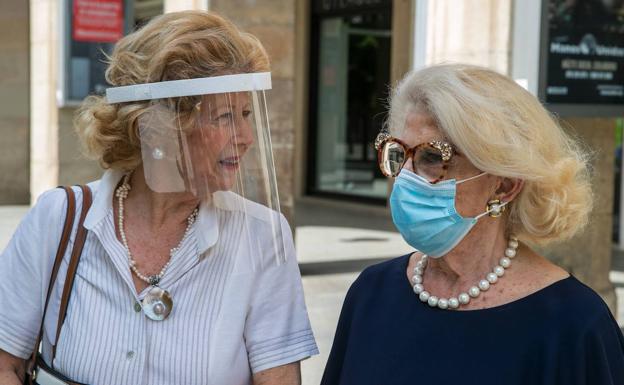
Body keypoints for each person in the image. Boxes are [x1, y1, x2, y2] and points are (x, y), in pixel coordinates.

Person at [0, 11, 317, 385]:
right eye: (225, 116)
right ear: (157, 128)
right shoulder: (58, 219)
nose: (246, 136)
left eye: (247, 113)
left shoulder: (262, 235)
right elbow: (6, 365)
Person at [321, 63, 624, 385]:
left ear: (505, 186)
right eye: (400, 153)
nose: (405, 177)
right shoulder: (371, 292)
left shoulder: (574, 324)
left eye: (432, 157)